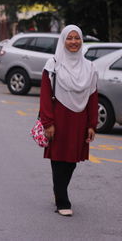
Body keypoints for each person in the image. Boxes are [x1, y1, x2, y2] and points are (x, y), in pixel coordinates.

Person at [40, 25, 98, 216]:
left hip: (79, 118)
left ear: (82, 41)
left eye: (77, 38)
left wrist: (92, 124)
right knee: (58, 158)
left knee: (72, 160)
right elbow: (46, 96)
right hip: (59, 118)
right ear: (63, 41)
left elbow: (92, 96)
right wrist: (48, 122)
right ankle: (62, 200)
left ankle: (59, 191)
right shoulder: (53, 65)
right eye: (69, 38)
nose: (73, 42)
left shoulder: (89, 67)